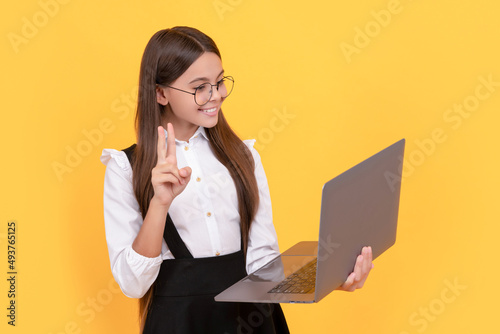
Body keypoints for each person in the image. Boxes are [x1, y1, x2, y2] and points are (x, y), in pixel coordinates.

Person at [101, 26, 373, 334]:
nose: (216, 95)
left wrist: (332, 278)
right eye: (200, 87)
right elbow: (132, 283)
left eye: (219, 82)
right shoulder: (126, 168)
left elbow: (262, 265)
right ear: (161, 93)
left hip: (253, 320)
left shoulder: (243, 157)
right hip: (179, 323)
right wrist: (160, 203)